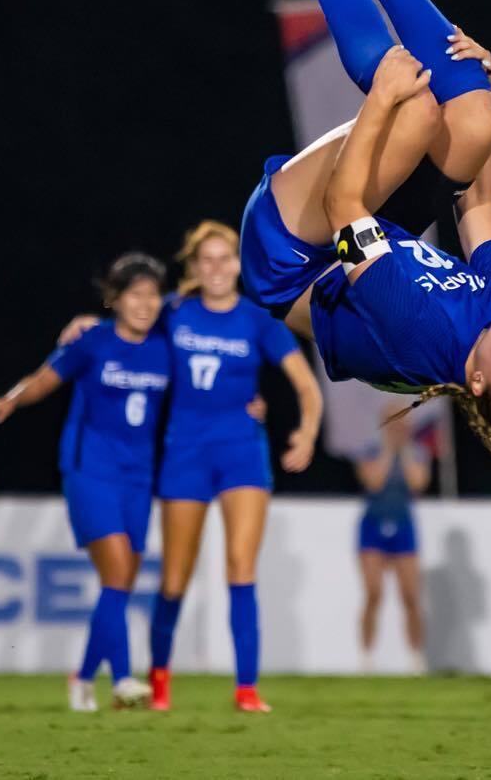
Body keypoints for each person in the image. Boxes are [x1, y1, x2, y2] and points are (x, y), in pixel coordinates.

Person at [238, 0, 491, 470]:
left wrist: (379, 102)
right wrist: (490, 92)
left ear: (481, 385)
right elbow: (479, 205)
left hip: (288, 258)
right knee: (478, 120)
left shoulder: (416, 334)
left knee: (410, 103)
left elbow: (345, 211)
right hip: (370, 231)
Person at [61, 222, 323, 714]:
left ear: (238, 266)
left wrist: (305, 432)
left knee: (241, 569)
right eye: (208, 260)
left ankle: (246, 689)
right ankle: (158, 681)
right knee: (175, 579)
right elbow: (124, 321)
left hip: (243, 453)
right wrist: (82, 324)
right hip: (185, 456)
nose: (218, 268)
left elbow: (308, 386)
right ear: (195, 268)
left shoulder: (258, 320)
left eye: (226, 259)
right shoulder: (173, 313)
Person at [0, 253, 171, 713]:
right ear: (115, 299)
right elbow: (46, 380)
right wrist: (10, 399)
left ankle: (84, 676)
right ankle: (123, 679)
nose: (145, 304)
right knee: (117, 572)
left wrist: (251, 407)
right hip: (91, 470)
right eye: (135, 295)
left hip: (138, 477)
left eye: (152, 295)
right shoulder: (92, 342)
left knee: (120, 582)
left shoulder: (166, 349)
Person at [355, 403, 430, 674]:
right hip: (373, 525)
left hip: (403, 524)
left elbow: (417, 484)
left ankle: (416, 656)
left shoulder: (418, 453)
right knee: (374, 593)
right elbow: (373, 482)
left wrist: (405, 449)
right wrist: (389, 449)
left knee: (410, 595)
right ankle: (366, 656)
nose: (398, 427)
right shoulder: (371, 450)